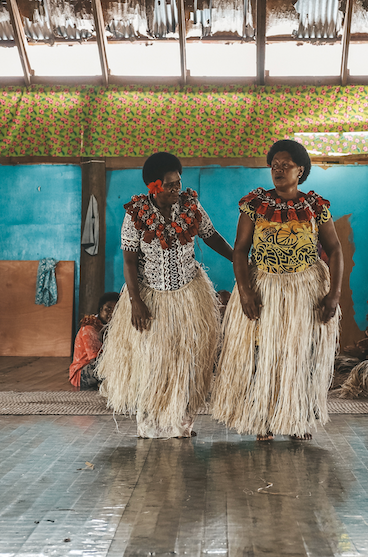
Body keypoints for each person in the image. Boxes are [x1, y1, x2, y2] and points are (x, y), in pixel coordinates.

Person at [213, 139, 343, 441]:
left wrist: (333, 294)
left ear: (301, 170)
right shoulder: (255, 205)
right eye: (274, 166)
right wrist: (244, 292)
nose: (278, 170)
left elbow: (335, 250)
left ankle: (297, 418)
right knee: (263, 355)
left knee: (300, 355)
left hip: (305, 291)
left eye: (286, 165)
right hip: (265, 289)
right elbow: (241, 251)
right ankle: (264, 420)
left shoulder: (315, 207)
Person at [98, 153, 234, 438]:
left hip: (189, 295)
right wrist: (136, 302)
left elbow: (211, 236)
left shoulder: (191, 205)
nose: (177, 189)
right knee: (153, 362)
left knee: (187, 360)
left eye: (178, 183)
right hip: (150, 297)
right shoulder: (136, 214)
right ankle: (150, 426)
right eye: (170, 185)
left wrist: (237, 258)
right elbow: (129, 262)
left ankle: (181, 424)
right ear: (154, 187)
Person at [70, 292, 120, 389]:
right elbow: (96, 361)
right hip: (81, 374)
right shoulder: (90, 328)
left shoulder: (111, 327)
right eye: (108, 309)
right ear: (101, 309)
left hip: (99, 367)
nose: (111, 313)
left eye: (115, 310)